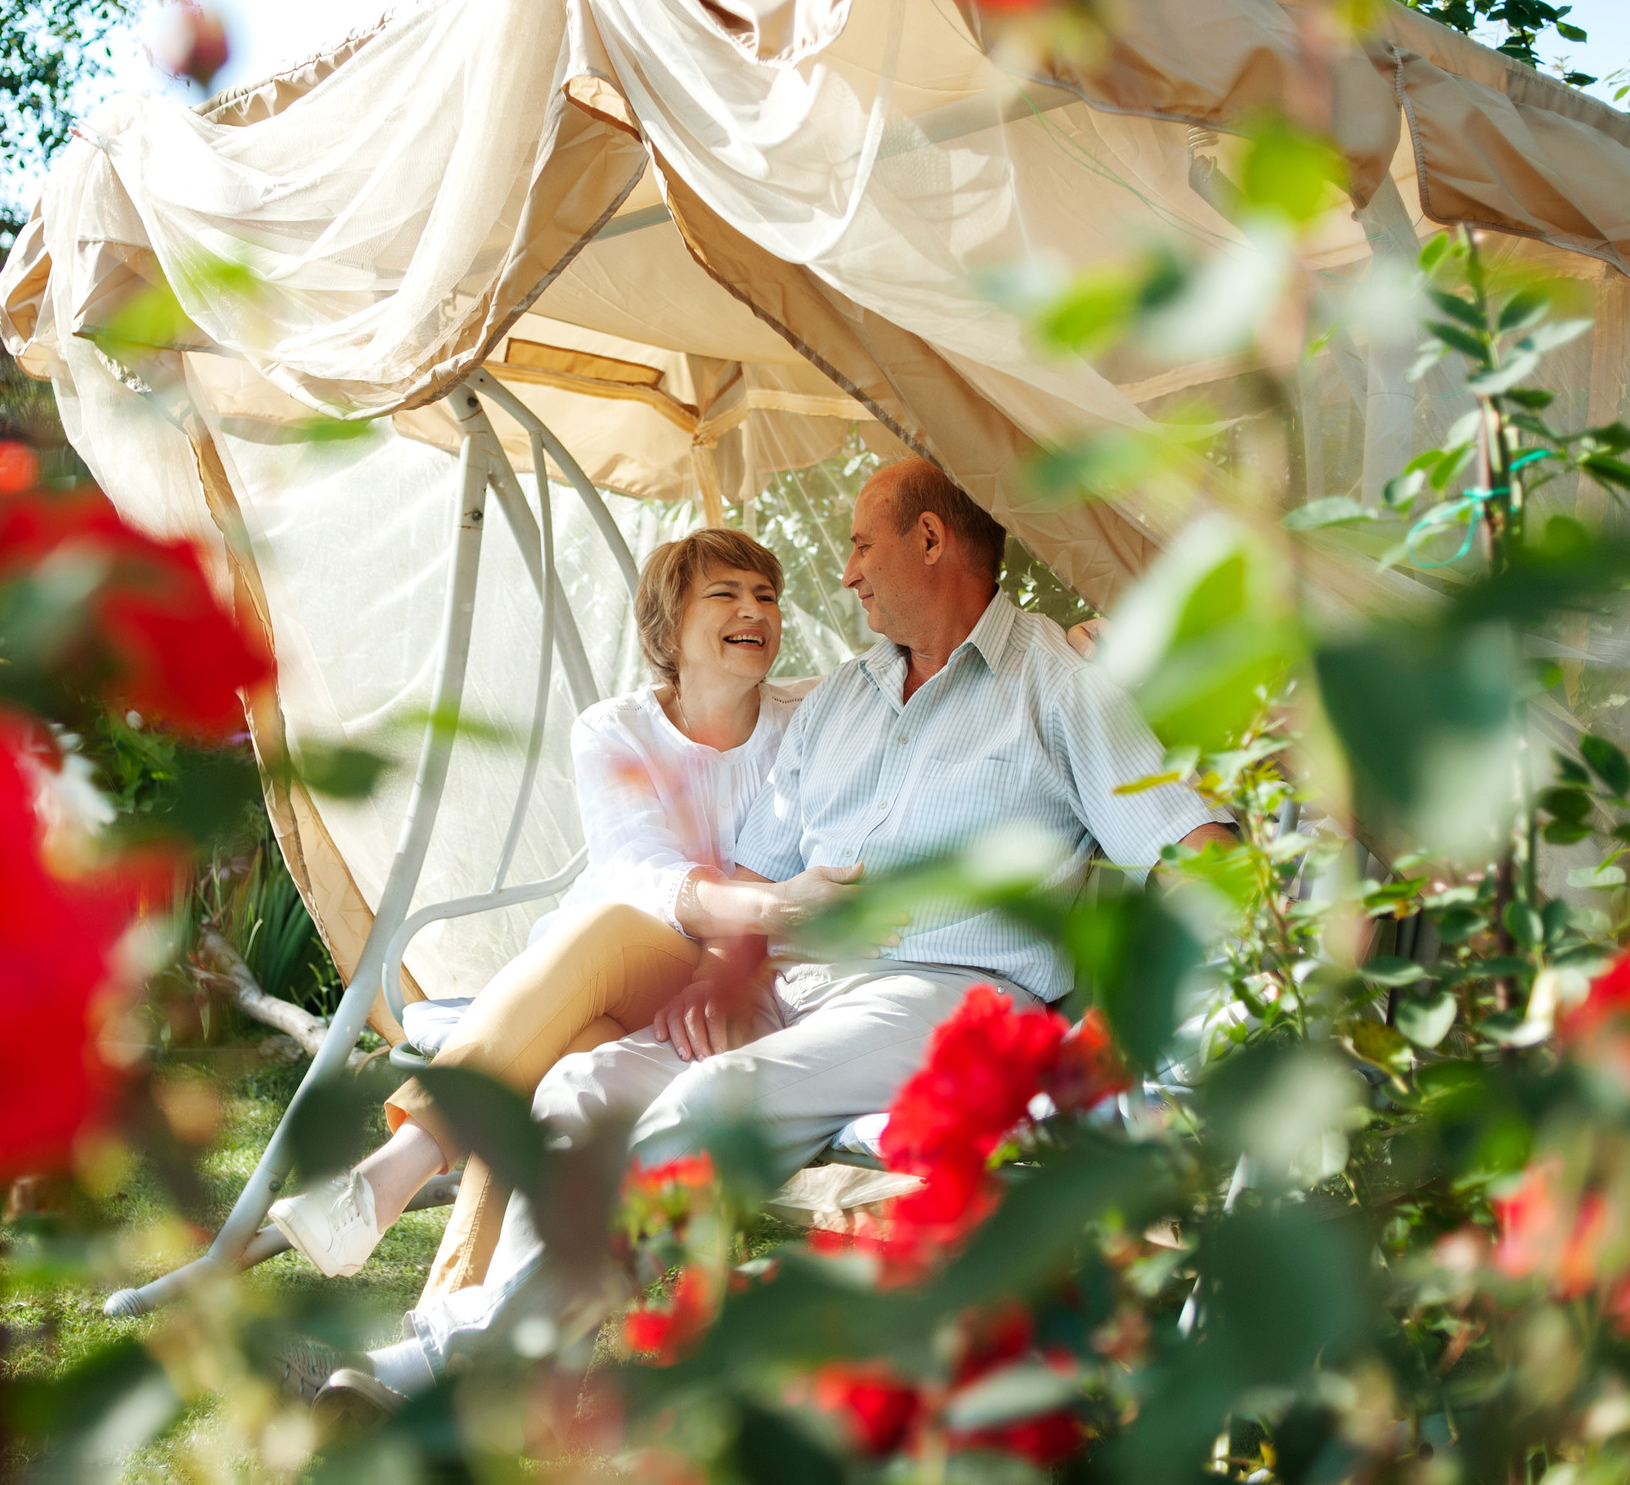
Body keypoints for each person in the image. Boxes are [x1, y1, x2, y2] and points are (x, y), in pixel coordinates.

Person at [323, 459, 1231, 1411]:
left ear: (931, 539)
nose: (845, 574)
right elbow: (758, 870)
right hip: (795, 983)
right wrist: (728, 970)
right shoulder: (843, 697)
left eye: (860, 543)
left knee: (714, 1097)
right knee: (584, 1083)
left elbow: (1192, 843)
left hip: (941, 988)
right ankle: (526, 1362)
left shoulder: (1060, 682)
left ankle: (457, 1361)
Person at [266, 528, 853, 1287]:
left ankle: (388, 1186)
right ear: (671, 623)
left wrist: (1065, 642)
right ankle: (452, 1311)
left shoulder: (809, 718)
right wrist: (764, 904)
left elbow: (903, 679)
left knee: (598, 937)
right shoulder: (614, 729)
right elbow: (641, 872)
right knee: (556, 1065)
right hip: (614, 972)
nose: (757, 609)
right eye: (727, 593)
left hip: (727, 983)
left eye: (767, 595)